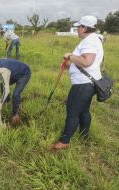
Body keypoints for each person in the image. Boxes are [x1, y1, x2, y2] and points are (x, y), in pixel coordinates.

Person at [52, 16, 104, 150]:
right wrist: (70, 65)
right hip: (89, 82)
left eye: (79, 27)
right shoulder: (93, 39)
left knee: (72, 111)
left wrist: (70, 56)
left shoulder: (90, 41)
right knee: (84, 110)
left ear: (85, 28)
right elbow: (85, 62)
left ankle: (64, 141)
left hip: (83, 84)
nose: (77, 30)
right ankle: (84, 135)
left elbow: (87, 62)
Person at [0, 58, 31, 126]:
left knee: (16, 95)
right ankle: (7, 101)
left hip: (24, 74)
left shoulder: (4, 70)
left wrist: (0, 102)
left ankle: (15, 115)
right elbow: (0, 74)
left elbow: (7, 89)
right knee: (2, 84)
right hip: (13, 72)